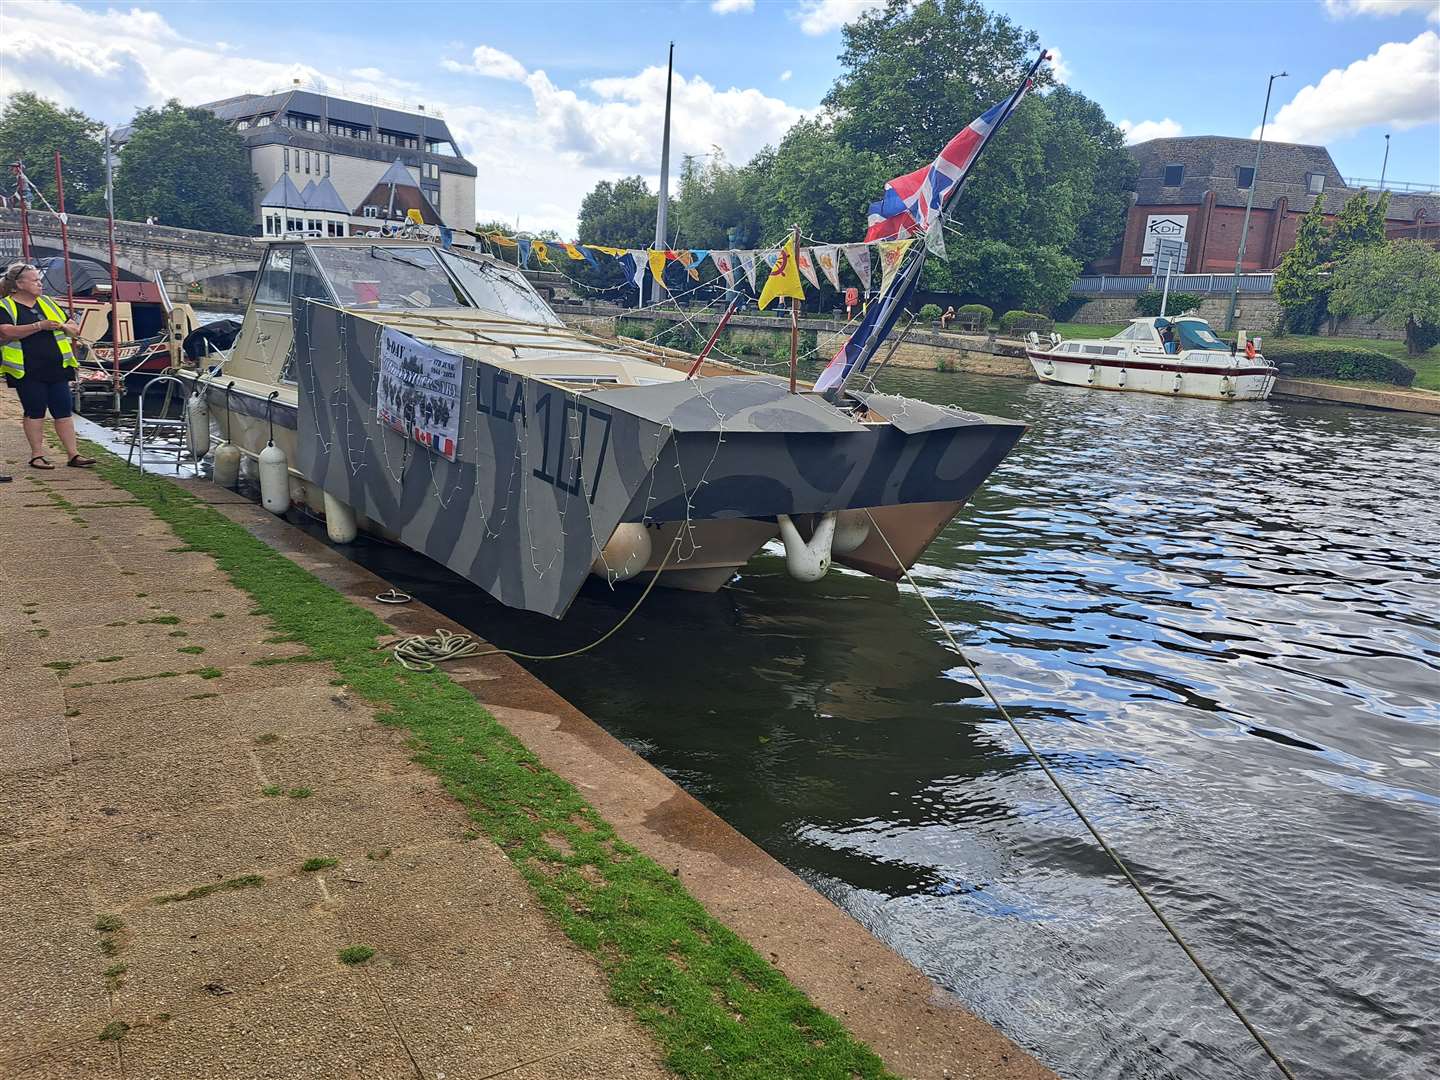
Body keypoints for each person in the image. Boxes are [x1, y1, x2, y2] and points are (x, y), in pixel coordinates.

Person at [0, 262, 96, 470]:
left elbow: (74, 328)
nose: (40, 284)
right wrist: (38, 326)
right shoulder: (5, 306)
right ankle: (37, 455)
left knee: (63, 411)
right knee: (35, 412)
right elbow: (6, 331)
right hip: (27, 368)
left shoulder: (48, 303)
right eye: (35, 280)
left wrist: (62, 325)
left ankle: (73, 454)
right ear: (19, 284)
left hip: (57, 366)